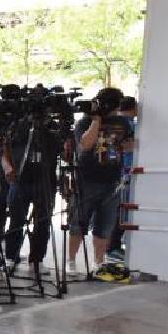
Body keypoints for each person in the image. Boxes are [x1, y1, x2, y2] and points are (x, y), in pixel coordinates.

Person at [67, 87, 134, 275]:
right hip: (87, 179)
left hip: (112, 180)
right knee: (78, 222)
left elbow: (129, 144)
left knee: (105, 225)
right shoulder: (85, 121)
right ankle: (71, 260)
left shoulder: (122, 122)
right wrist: (96, 120)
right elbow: (85, 144)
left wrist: (120, 146)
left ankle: (99, 262)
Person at [3, 102, 61, 274]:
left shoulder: (52, 127)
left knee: (42, 221)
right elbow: (6, 146)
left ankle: (37, 259)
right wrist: (8, 167)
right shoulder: (17, 125)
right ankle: (10, 257)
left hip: (45, 179)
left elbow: (60, 149)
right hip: (21, 178)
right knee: (16, 220)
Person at [107, 96, 138, 261]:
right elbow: (113, 149)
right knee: (120, 210)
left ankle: (113, 246)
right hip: (122, 174)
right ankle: (112, 247)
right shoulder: (124, 124)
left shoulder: (128, 123)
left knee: (121, 209)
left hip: (124, 172)